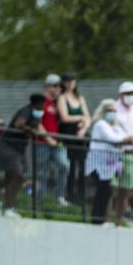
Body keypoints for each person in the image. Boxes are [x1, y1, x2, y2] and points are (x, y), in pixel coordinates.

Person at [0, 93, 48, 216]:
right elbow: (18, 123)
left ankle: (2, 206)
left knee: (10, 179)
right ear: (34, 105)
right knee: (19, 176)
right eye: (40, 106)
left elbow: (37, 130)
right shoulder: (26, 111)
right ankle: (8, 208)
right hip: (7, 147)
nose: (42, 109)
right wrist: (29, 129)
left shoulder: (36, 116)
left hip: (18, 150)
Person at [86, 99, 133, 226]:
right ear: (103, 111)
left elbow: (124, 139)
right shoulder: (100, 124)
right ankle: (97, 219)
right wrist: (128, 139)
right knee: (102, 190)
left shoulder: (116, 127)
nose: (112, 113)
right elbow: (114, 139)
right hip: (98, 164)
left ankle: (101, 218)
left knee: (107, 191)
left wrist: (130, 142)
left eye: (114, 111)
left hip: (109, 166)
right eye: (109, 111)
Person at [34, 74, 69, 208]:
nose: (58, 89)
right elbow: (37, 123)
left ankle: (59, 196)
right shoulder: (41, 102)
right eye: (55, 86)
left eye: (59, 86)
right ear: (47, 86)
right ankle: (40, 199)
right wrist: (47, 138)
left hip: (57, 143)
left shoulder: (58, 103)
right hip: (42, 143)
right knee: (42, 171)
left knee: (64, 165)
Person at [113, 82, 133, 225]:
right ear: (121, 95)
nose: (130, 96)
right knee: (114, 186)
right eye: (127, 94)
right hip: (118, 152)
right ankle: (110, 216)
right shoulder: (114, 107)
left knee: (129, 186)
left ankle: (126, 215)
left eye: (132, 93)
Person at [57, 73, 90, 205]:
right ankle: (69, 195)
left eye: (73, 80)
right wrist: (81, 118)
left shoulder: (80, 98)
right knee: (71, 167)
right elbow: (65, 117)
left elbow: (88, 116)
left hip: (80, 137)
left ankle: (81, 197)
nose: (71, 83)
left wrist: (84, 128)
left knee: (82, 167)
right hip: (69, 136)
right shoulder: (62, 98)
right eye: (68, 80)